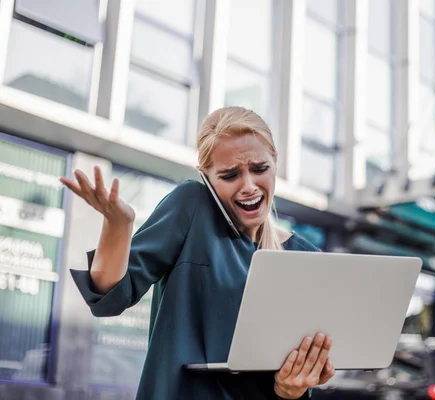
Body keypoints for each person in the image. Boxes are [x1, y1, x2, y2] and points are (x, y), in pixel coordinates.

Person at [60, 106, 336, 399]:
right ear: (206, 176)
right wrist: (119, 225)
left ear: (275, 162)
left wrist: (290, 388)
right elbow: (109, 299)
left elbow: (288, 378)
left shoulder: (303, 256)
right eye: (230, 175)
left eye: (259, 169)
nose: (249, 186)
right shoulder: (193, 207)